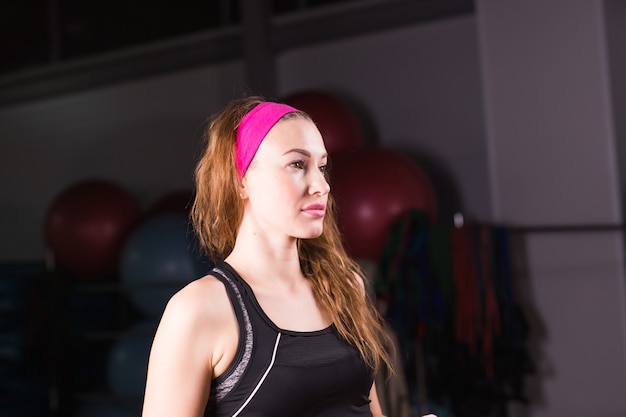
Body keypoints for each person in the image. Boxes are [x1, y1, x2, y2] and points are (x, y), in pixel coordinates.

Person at [141, 96, 435, 417]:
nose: (321, 185)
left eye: (322, 167)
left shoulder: (346, 287)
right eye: (298, 164)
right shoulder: (199, 310)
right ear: (241, 181)